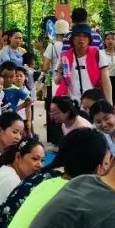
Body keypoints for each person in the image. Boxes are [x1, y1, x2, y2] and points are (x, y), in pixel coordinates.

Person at [56, 23, 112, 105]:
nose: (81, 39)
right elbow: (57, 81)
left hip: (93, 103)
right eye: (77, 35)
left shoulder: (98, 54)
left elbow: (106, 80)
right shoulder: (66, 57)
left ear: (89, 39)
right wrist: (60, 73)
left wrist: (109, 104)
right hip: (71, 104)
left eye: (85, 36)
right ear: (72, 39)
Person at [42, 18, 69, 147]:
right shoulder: (69, 46)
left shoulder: (52, 45)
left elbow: (46, 65)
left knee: (53, 108)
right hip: (67, 80)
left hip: (54, 81)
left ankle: (54, 138)